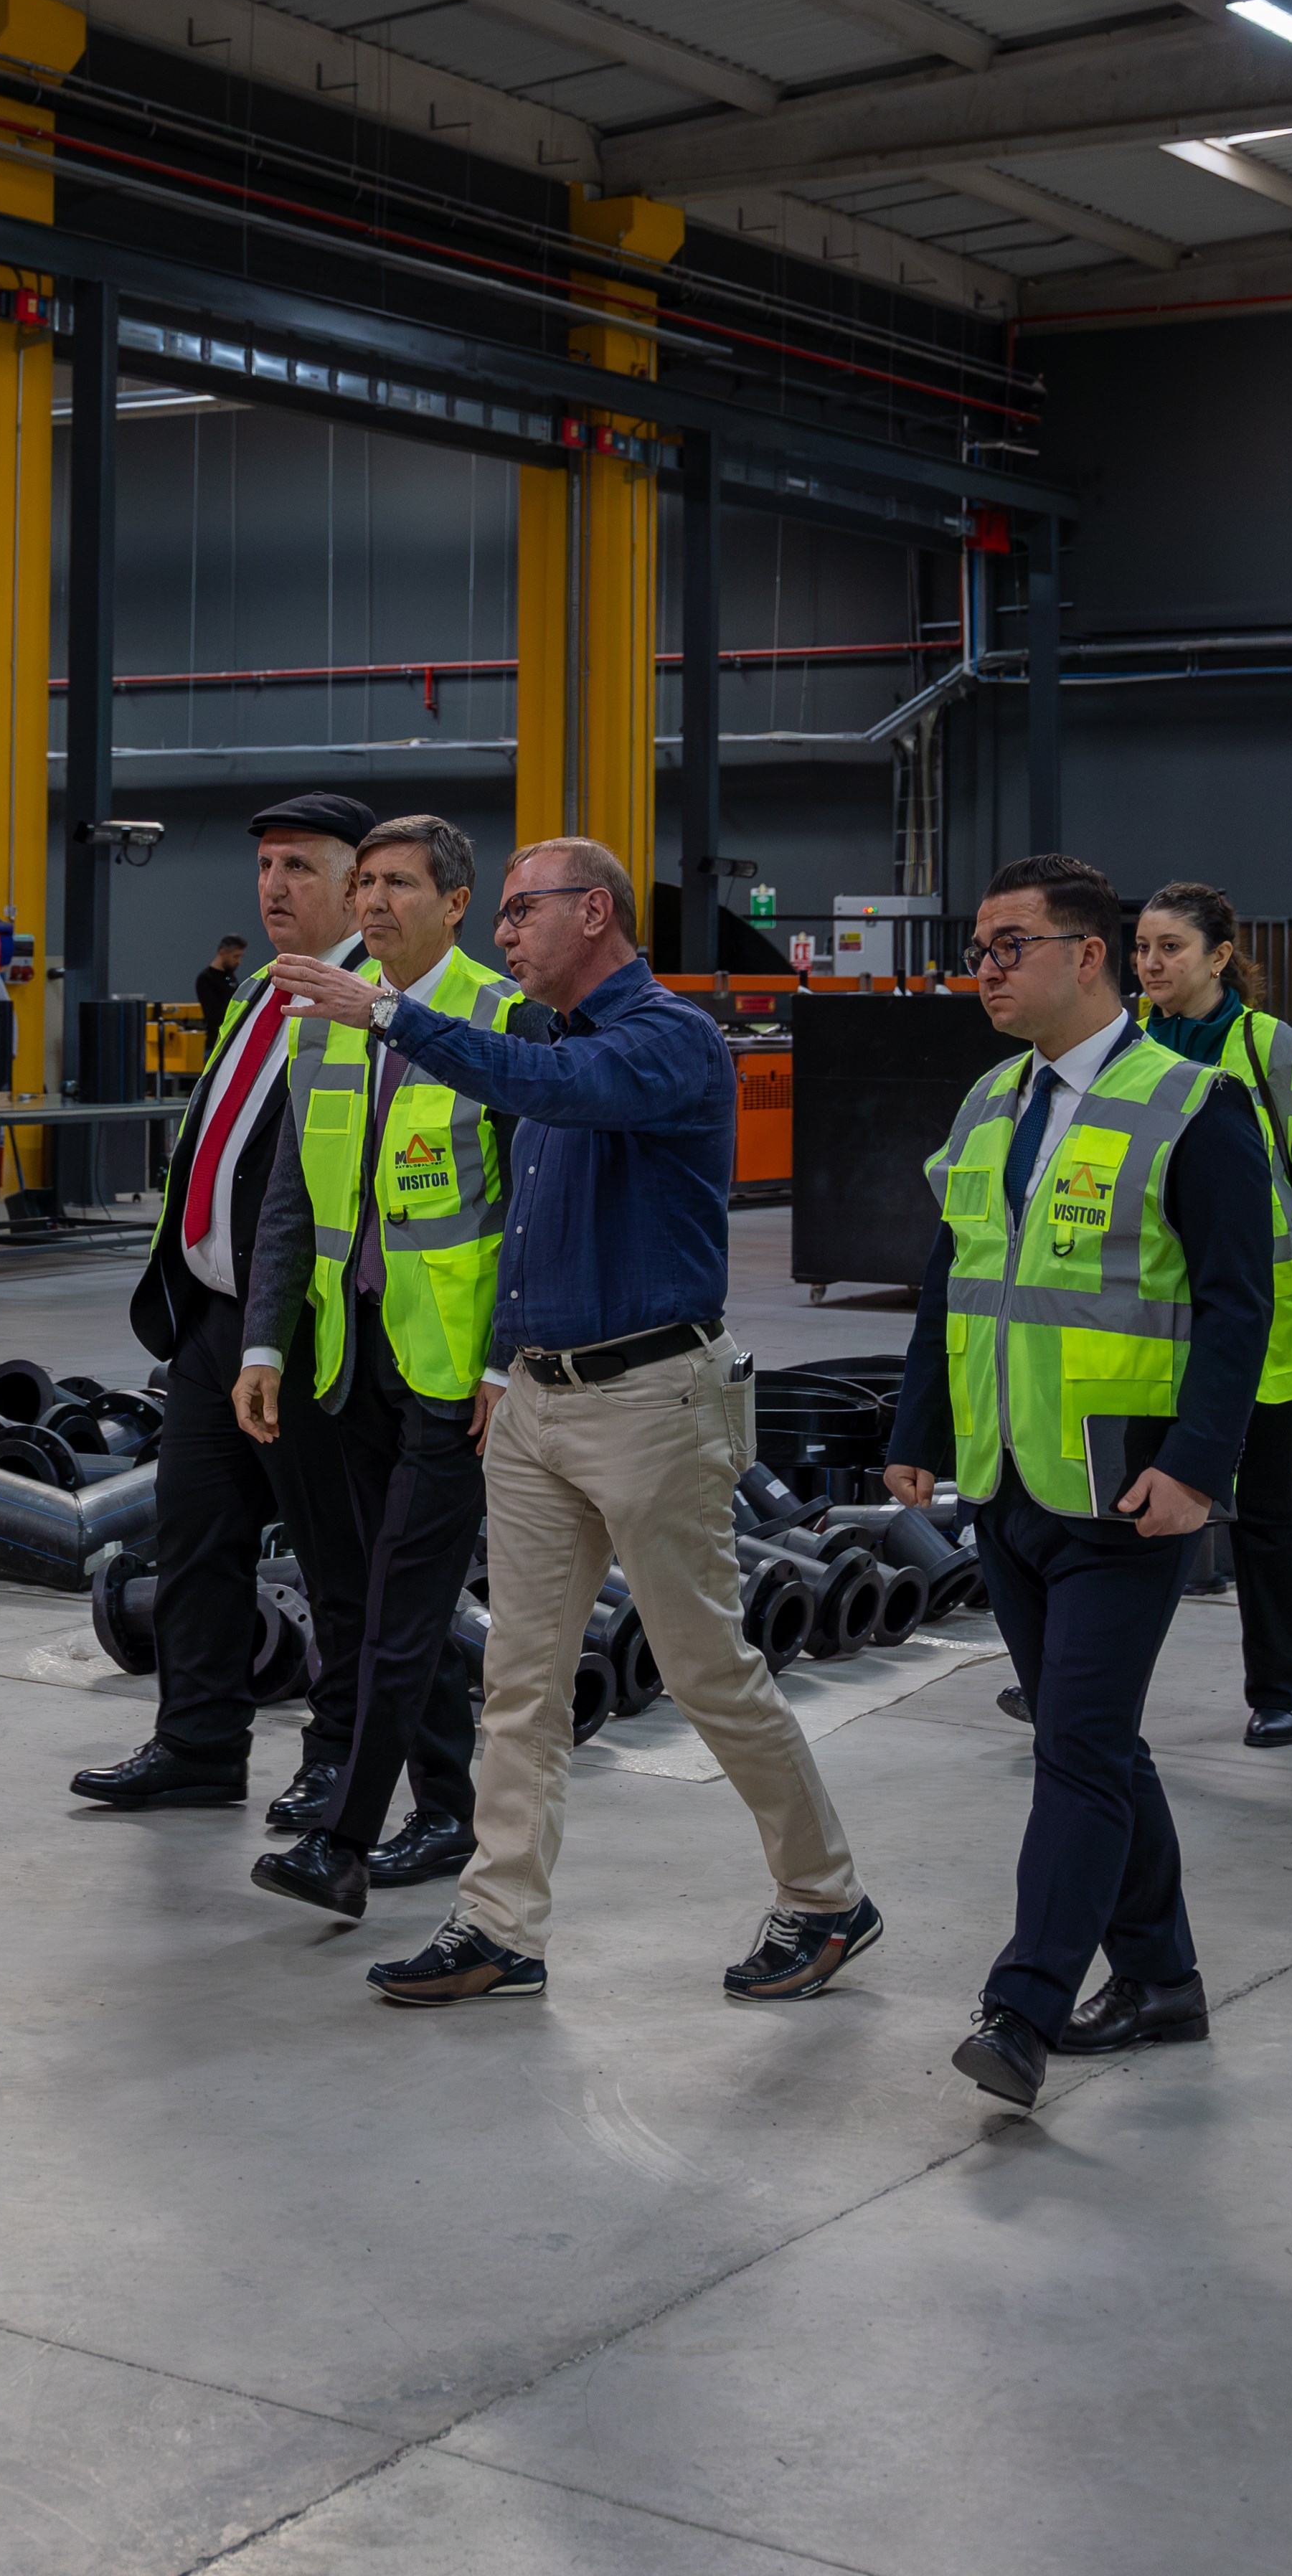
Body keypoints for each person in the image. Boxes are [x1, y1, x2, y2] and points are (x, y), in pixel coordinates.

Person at [278, 834, 881, 2013]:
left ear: (594, 913)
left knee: (707, 1670)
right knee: (520, 1680)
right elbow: (529, 1210)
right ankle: (499, 1924)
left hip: (650, 1400)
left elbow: (556, 1091)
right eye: (501, 916)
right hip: (540, 1401)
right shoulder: (549, 1047)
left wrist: (390, 1014)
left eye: (521, 911)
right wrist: (504, 1365)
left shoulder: (664, 1040)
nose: (503, 934)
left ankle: (824, 1897)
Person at [885, 851, 1272, 2110]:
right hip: (1008, 1478)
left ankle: (1024, 2004)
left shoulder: (1194, 1104)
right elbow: (952, 1280)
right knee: (1089, 1739)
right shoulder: (990, 1100)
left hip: (1124, 1489)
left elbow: (1239, 1305)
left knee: (1080, 1749)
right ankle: (1161, 1978)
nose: (983, 971)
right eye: (977, 951)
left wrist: (1197, 1468)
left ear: (1088, 955)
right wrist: (920, 1426)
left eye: (1008, 947)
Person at [237, 817, 551, 1914]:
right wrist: (266, 1341)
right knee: (392, 1597)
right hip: (351, 1354)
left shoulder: (504, 1019)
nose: (373, 902)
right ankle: (450, 1810)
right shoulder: (325, 1015)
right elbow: (292, 1198)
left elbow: (533, 1213)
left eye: (400, 884)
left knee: (401, 1607)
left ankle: (344, 1841)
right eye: (365, 882)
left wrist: (504, 1362)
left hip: (455, 1373)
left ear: (457, 902)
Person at [72, 793, 379, 1817]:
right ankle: (198, 1745)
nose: (273, 886)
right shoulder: (260, 991)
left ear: (357, 885)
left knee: (337, 1561)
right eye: (265, 866)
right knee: (197, 1542)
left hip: (305, 1332)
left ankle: (339, 1763)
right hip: (212, 1321)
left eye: (299, 867)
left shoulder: (374, 1008)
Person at [1128, 882, 1292, 1747]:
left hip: (1260, 1320)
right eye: (1143, 947)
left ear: (1220, 956)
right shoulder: (1121, 1047)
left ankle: (1283, 1687)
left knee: (1261, 1505)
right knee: (1131, 1509)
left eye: (1170, 947)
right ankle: (1080, 1682)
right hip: (1145, 1323)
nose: (1151, 964)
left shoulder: (1277, 1054)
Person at [194, 937, 247, 1054]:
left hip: (231, 1041)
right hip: (215, 1044)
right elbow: (214, 1015)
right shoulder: (206, 978)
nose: (239, 962)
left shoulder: (230, 977)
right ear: (223, 952)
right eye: (235, 957)